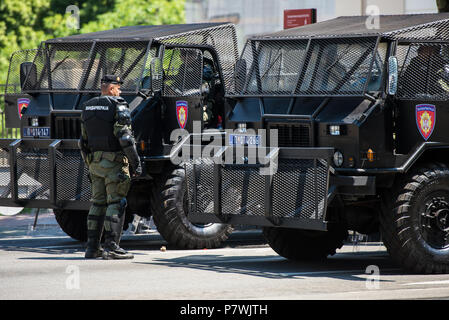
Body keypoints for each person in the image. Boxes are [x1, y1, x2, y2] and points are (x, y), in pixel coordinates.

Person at [79, 74, 142, 260]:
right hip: (114, 163)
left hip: (94, 163)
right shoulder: (118, 105)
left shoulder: (87, 106)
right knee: (116, 203)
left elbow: (82, 141)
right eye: (119, 87)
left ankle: (92, 249)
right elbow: (124, 137)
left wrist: (89, 163)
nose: (120, 91)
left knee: (97, 203)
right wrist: (136, 163)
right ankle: (112, 247)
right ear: (112, 88)